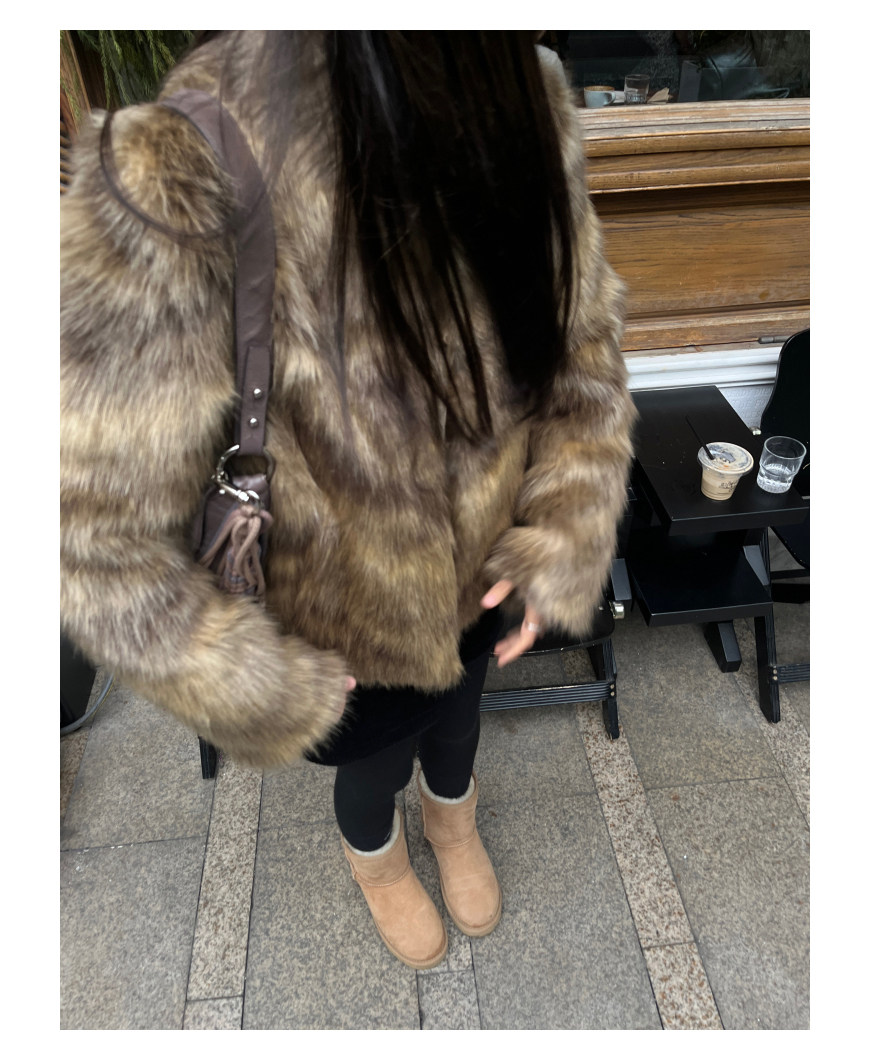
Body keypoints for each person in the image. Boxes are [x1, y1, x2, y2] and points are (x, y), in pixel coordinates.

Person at [60, 31, 635, 970]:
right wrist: (256, 684)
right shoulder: (185, 149)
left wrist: (565, 530)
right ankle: (376, 859)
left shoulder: (522, 86)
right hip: (340, 623)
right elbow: (87, 527)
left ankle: (453, 818)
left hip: (487, 569)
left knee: (461, 722)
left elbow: (581, 346)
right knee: (371, 768)